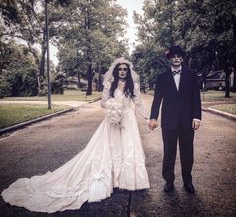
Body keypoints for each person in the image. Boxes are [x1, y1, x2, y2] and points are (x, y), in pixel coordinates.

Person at [1, 57, 150, 213]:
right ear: (116, 71)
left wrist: (148, 119)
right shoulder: (109, 85)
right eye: (120, 69)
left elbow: (138, 104)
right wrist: (114, 106)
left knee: (129, 149)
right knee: (112, 150)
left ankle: (128, 181)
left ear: (128, 71)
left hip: (128, 121)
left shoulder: (134, 86)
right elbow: (103, 103)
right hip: (113, 121)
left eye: (125, 69)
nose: (122, 72)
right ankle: (114, 180)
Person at [148, 45, 201, 193]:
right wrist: (153, 117)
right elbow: (157, 99)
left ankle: (187, 181)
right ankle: (169, 181)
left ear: (182, 58)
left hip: (187, 121)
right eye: (173, 56)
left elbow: (196, 98)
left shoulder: (191, 75)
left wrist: (197, 117)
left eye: (178, 56)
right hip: (168, 122)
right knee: (169, 153)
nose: (176, 58)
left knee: (187, 153)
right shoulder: (162, 77)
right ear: (170, 59)